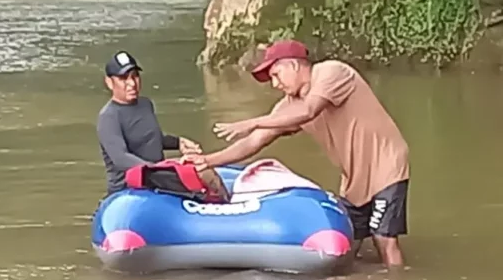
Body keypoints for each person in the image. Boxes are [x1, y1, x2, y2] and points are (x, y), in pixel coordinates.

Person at [181, 40, 411, 267]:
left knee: (384, 238)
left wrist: (252, 121)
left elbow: (309, 111)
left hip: (386, 164)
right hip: (354, 179)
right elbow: (255, 141)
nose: (274, 84)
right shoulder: (289, 106)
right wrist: (207, 160)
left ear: (293, 65)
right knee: (351, 242)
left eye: (276, 74)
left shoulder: (331, 72)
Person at [96, 50, 228, 200]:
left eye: (135, 76)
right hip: (130, 183)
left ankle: (226, 206)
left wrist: (179, 143)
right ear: (109, 82)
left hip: (156, 174)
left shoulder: (145, 104)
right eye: (123, 78)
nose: (132, 83)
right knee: (197, 175)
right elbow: (121, 158)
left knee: (202, 166)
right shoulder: (108, 117)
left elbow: (151, 138)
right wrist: (158, 168)